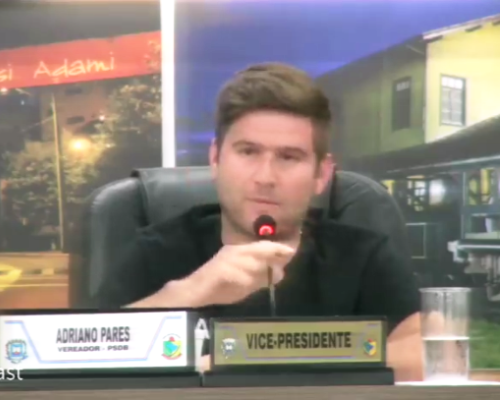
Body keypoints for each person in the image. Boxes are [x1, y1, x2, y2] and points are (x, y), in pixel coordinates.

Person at [96, 63, 422, 380]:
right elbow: (86, 358)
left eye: (288, 157)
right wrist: (187, 292)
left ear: (321, 174)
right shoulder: (154, 252)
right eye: (248, 152)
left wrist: (246, 360)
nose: (265, 177)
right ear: (215, 159)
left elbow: (425, 357)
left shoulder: (364, 256)